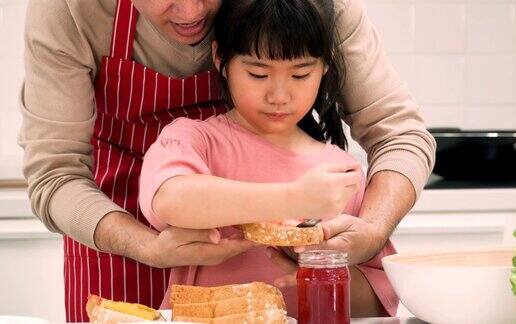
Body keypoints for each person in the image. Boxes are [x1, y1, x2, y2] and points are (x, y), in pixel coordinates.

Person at [18, 0, 435, 322]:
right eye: (258, 73)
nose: (191, 12)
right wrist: (147, 244)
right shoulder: (70, 11)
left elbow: (398, 132)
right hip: (110, 227)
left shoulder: (332, 168)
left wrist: (372, 233)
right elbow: (57, 173)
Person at [138, 0, 397, 317]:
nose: (279, 95)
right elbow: (169, 200)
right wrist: (295, 198)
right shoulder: (195, 140)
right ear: (221, 59)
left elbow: (379, 302)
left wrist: (317, 271)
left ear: (325, 66)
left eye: (300, 75)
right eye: (258, 74)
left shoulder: (339, 174)